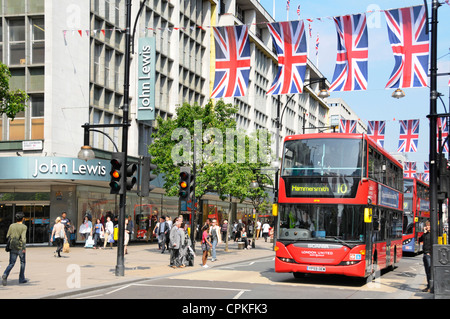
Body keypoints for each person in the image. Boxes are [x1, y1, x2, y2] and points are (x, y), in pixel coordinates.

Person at [2, 212, 28, 286]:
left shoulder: (12, 225)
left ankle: (5, 274)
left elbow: (8, 235)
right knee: (22, 262)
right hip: (20, 247)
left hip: (12, 246)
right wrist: (24, 247)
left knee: (11, 263)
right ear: (23, 219)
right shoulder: (24, 227)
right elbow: (23, 238)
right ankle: (21, 279)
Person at [420, 220, 432, 292]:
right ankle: (428, 286)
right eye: (426, 225)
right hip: (425, 254)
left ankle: (430, 286)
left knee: (430, 271)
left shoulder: (432, 234)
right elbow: (420, 240)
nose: (427, 227)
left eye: (428, 226)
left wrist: (430, 253)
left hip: (428, 254)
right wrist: (424, 233)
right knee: (427, 272)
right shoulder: (426, 234)